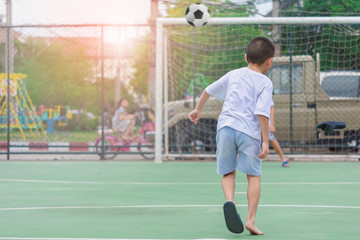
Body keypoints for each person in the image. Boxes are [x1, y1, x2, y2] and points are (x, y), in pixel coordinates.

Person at [189, 36, 275, 235]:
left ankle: (230, 201)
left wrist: (197, 110)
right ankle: (251, 221)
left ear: (246, 57)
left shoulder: (234, 74)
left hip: (226, 127)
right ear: (269, 61)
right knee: (253, 175)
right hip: (249, 132)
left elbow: (208, 90)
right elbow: (262, 112)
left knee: (228, 172)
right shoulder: (265, 82)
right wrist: (265, 141)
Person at [269, 100, 290, 167]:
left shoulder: (265, 90)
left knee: (271, 138)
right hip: (251, 119)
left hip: (264, 118)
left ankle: (283, 159)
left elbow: (271, 107)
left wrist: (272, 124)